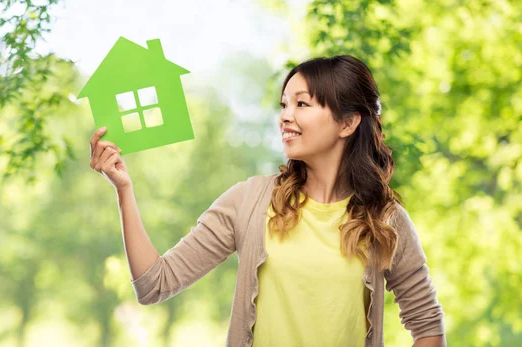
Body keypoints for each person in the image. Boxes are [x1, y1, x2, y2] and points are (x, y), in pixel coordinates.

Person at [89, 55, 446, 347]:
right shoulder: (250, 201)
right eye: (284, 104)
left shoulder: (384, 220)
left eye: (302, 104)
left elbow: (429, 328)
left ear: (348, 122)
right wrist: (124, 189)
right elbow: (155, 284)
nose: (285, 116)